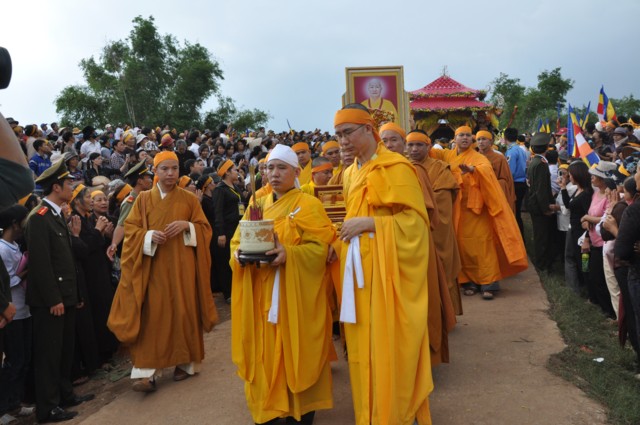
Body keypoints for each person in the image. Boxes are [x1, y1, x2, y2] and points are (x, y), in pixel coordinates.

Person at [334, 105, 432, 424]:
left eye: (348, 133)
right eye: (338, 134)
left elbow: (416, 225)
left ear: (368, 129)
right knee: (363, 347)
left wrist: (371, 224)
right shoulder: (350, 172)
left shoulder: (396, 167)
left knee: (391, 343)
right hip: (359, 273)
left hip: (389, 274)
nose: (343, 141)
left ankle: (399, 413)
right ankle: (372, 412)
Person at [230, 144, 336, 424]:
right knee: (264, 351)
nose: (274, 174)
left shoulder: (309, 205)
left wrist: (289, 254)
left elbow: (320, 250)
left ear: (297, 172)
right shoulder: (257, 205)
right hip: (262, 294)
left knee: (297, 351)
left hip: (294, 295)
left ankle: (300, 411)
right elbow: (238, 240)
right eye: (269, 168)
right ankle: (267, 410)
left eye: (281, 168)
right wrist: (238, 255)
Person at [107, 151, 218, 392]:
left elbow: (204, 229)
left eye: (174, 169)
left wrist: (187, 226)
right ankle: (146, 373)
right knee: (152, 316)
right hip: (154, 267)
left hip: (182, 267)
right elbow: (131, 229)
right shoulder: (143, 199)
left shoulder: (189, 199)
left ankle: (185, 364)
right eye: (165, 169)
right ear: (155, 172)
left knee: (183, 311)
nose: (170, 173)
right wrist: (148, 235)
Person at [24, 159, 95, 423]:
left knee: (64, 351)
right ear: (56, 187)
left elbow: (65, 259)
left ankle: (64, 395)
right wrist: (54, 298)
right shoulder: (39, 218)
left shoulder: (55, 215)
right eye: (68, 183)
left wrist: (73, 296)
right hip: (50, 301)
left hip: (65, 296)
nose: (72, 187)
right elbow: (41, 264)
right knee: (50, 355)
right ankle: (48, 407)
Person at [431, 126, 527, 300]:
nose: (465, 138)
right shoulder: (448, 155)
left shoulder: (478, 158)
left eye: (468, 135)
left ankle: (489, 283)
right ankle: (468, 282)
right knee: (462, 246)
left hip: (477, 209)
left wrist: (474, 171)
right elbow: (429, 153)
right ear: (454, 139)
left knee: (483, 244)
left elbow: (486, 169)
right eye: (461, 135)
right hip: (457, 209)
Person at [406, 130, 463, 315]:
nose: (414, 149)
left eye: (419, 145)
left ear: (428, 146)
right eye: (410, 145)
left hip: (435, 229)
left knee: (442, 268)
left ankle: (445, 315)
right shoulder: (402, 167)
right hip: (410, 231)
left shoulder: (439, 168)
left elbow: (443, 204)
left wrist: (417, 210)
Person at [0, 204, 31, 417]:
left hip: (24, 308)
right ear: (14, 224)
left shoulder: (14, 245)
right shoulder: (2, 249)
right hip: (12, 312)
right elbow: (8, 282)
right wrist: (28, 270)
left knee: (24, 359)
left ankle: (16, 403)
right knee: (15, 360)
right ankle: (7, 406)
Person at [581, 162, 617, 318]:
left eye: (594, 176)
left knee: (600, 277)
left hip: (604, 242)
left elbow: (605, 218)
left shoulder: (611, 196)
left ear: (603, 179)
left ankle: (609, 311)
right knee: (591, 273)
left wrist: (587, 218)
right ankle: (599, 304)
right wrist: (587, 222)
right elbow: (592, 215)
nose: (591, 178)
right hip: (593, 239)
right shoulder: (596, 193)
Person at [106, 161, 154, 261]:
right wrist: (114, 244)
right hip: (137, 247)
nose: (151, 180)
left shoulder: (145, 197)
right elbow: (122, 225)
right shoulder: (131, 202)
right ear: (140, 181)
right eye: (148, 178)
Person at [212, 160, 244, 303]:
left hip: (237, 227)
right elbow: (218, 212)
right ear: (227, 172)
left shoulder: (235, 187)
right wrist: (221, 233)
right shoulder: (220, 190)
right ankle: (228, 292)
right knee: (226, 261)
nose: (237, 172)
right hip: (227, 229)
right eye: (234, 170)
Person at [560, 161, 592, 296]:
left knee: (583, 262)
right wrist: (563, 188)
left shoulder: (586, 194)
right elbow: (569, 205)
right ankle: (575, 289)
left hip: (581, 233)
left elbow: (588, 215)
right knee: (572, 258)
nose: (569, 177)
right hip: (573, 230)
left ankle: (589, 291)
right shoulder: (578, 190)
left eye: (571, 175)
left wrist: (587, 237)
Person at [525, 133, 556, 272]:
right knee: (542, 236)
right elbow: (541, 189)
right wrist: (545, 208)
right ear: (546, 147)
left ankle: (541, 261)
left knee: (540, 234)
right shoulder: (541, 164)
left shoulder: (534, 161)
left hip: (534, 203)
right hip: (539, 206)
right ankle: (542, 263)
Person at [476, 130, 516, 212]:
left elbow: (507, 180)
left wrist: (491, 184)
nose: (481, 142)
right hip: (477, 196)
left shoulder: (499, 158)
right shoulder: (473, 157)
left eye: (484, 139)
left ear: (490, 141)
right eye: (478, 139)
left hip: (496, 195)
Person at [504, 127, 528, 237]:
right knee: (517, 212)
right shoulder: (521, 149)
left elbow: (510, 171)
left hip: (515, 184)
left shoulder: (511, 151)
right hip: (522, 182)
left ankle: (518, 237)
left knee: (514, 212)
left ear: (505, 138)